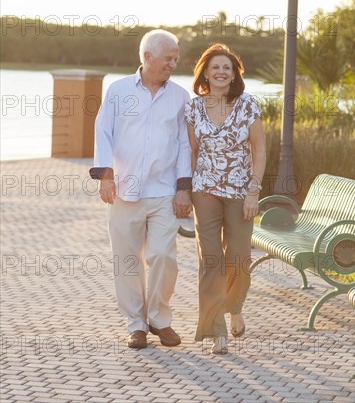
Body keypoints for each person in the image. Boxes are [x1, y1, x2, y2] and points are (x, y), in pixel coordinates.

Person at [91, 29, 192, 350]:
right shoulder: (118, 90)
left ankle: (159, 319)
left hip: (164, 191)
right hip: (124, 189)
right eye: (168, 58)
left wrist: (183, 187)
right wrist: (105, 176)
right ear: (146, 56)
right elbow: (103, 132)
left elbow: (184, 144)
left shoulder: (179, 96)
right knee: (127, 260)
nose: (173, 64)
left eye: (176, 58)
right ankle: (135, 323)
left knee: (164, 256)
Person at [185, 43, 266, 355]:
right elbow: (192, 152)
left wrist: (253, 192)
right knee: (210, 259)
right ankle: (217, 328)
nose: (220, 72)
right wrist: (185, 190)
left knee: (239, 256)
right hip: (204, 190)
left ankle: (235, 305)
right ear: (205, 72)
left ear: (234, 75)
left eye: (226, 68)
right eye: (215, 67)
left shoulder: (247, 106)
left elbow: (259, 150)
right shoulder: (193, 108)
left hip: (240, 192)